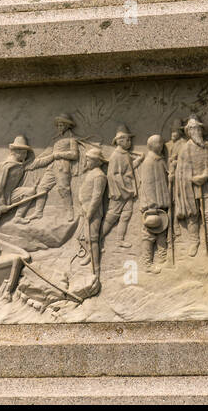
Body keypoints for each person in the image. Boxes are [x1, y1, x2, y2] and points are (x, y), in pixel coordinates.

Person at [173, 116, 208, 257]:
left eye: (198, 128)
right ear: (188, 131)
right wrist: (192, 179)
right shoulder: (185, 148)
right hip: (191, 187)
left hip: (207, 186)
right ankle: (195, 241)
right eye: (192, 128)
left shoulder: (207, 146)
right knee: (193, 215)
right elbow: (181, 171)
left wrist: (206, 175)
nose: (196, 131)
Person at [27, 112, 80, 223]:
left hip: (63, 166)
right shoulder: (55, 139)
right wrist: (33, 163)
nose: (59, 127)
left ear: (67, 126)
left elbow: (75, 155)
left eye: (62, 125)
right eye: (58, 125)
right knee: (42, 187)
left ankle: (69, 211)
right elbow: (47, 152)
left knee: (63, 189)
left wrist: (59, 155)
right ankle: (38, 212)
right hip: (52, 166)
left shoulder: (71, 138)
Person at [102, 126, 142, 245]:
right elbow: (112, 175)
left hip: (128, 191)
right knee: (112, 217)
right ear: (120, 141)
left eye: (130, 140)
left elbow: (129, 168)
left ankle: (119, 240)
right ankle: (96, 239)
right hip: (119, 192)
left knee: (126, 215)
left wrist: (139, 159)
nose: (130, 142)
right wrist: (120, 190)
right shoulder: (116, 155)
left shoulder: (125, 154)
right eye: (127, 140)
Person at [76, 146, 108, 284]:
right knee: (83, 237)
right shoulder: (91, 173)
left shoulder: (99, 175)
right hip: (85, 209)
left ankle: (96, 271)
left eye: (89, 159)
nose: (86, 161)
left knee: (93, 239)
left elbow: (97, 196)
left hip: (93, 212)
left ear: (96, 161)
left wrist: (90, 212)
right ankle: (89, 255)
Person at [139, 135, 171, 272]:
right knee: (150, 231)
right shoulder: (148, 162)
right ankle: (147, 263)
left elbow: (167, 174)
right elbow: (147, 185)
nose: (162, 145)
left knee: (162, 230)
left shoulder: (160, 160)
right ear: (152, 145)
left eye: (162, 143)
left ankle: (163, 258)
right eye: (159, 143)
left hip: (162, 202)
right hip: (152, 204)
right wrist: (151, 204)